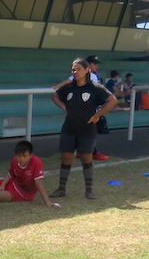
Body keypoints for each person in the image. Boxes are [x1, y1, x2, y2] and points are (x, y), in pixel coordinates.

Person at [49, 58, 117, 200]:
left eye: (79, 69)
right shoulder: (69, 87)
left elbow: (113, 101)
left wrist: (97, 115)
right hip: (69, 128)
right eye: (73, 69)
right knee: (66, 157)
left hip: (87, 129)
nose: (75, 72)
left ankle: (89, 191)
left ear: (87, 70)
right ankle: (61, 189)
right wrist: (64, 107)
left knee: (86, 158)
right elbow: (55, 95)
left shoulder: (95, 88)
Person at [53, 55, 109, 160]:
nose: (96, 66)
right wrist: (57, 87)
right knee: (86, 129)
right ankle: (89, 151)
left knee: (89, 129)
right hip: (81, 107)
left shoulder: (93, 76)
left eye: (97, 64)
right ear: (88, 65)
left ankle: (88, 150)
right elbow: (69, 81)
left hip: (90, 105)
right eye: (94, 64)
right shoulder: (82, 76)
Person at [0, 140, 59, 207]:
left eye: (25, 156)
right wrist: (2, 185)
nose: (21, 159)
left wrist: (47, 202)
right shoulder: (14, 161)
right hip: (13, 183)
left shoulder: (37, 162)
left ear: (31, 155)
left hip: (23, 193)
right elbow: (9, 174)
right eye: (19, 156)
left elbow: (39, 184)